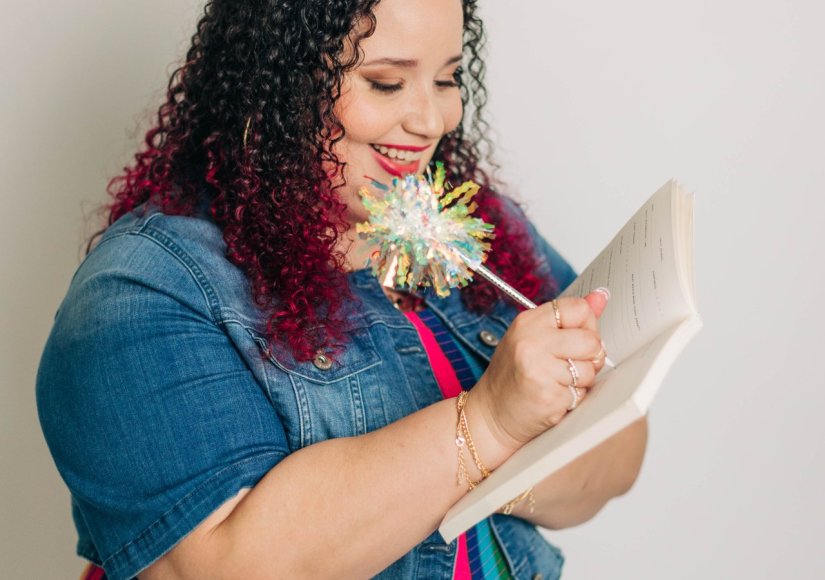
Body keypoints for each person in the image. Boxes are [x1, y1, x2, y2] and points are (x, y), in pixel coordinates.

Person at [36, 0, 648, 578]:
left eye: (447, 79)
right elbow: (219, 566)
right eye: (386, 82)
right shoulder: (145, 289)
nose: (432, 121)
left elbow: (622, 453)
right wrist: (492, 423)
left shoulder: (482, 230)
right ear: (274, 85)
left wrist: (504, 450)